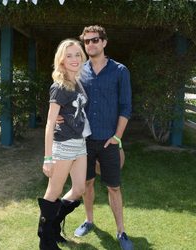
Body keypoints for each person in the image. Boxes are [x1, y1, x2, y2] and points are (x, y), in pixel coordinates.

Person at [74, 25, 134, 250]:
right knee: (86, 183)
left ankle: (121, 232)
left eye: (95, 40)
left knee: (114, 187)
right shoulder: (80, 71)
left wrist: (117, 137)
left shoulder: (120, 71)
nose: (91, 44)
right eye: (87, 41)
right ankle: (89, 221)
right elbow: (71, 100)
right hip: (84, 141)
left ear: (104, 42)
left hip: (109, 140)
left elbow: (126, 107)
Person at [37, 38, 91, 250]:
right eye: (69, 55)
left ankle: (52, 227)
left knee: (78, 189)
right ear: (61, 60)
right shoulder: (59, 86)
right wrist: (48, 157)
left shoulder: (77, 82)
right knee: (53, 193)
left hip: (80, 144)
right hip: (63, 145)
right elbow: (50, 123)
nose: (74, 58)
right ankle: (45, 239)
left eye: (77, 54)